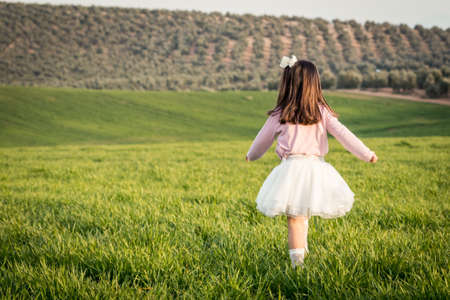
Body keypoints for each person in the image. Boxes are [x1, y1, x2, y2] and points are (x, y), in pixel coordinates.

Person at [245, 56, 378, 269]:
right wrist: (366, 154)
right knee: (302, 215)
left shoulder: (280, 114)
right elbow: (345, 135)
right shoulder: (321, 112)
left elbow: (261, 141)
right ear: (314, 84)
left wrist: (251, 156)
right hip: (316, 169)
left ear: (287, 83)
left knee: (295, 219)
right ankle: (302, 256)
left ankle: (298, 266)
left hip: (291, 170)